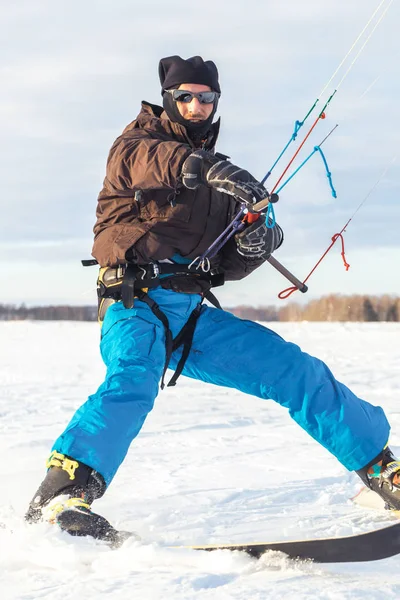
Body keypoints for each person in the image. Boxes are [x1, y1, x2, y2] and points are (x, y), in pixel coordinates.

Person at [26, 55, 400, 542]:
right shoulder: (135, 147)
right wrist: (211, 169)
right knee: (132, 379)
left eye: (206, 98)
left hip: (190, 316)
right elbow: (167, 163)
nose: (197, 106)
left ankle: (380, 470)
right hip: (134, 302)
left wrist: (255, 241)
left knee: (292, 368)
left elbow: (229, 268)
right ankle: (61, 495)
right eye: (186, 97)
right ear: (168, 101)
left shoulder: (220, 191)